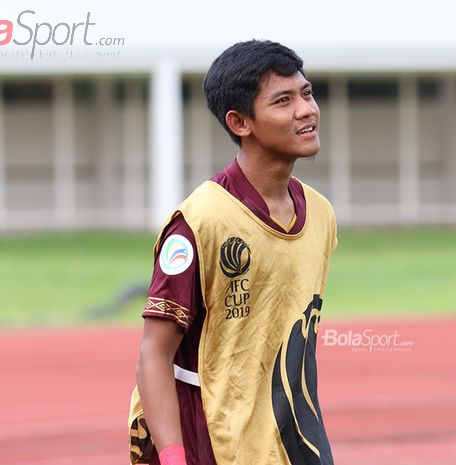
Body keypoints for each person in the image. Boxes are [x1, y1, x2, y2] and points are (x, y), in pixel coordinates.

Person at [129, 39, 337, 465]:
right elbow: (154, 353)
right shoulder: (198, 222)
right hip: (209, 442)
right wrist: (172, 458)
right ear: (240, 122)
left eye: (307, 93)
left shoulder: (321, 214)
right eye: (284, 100)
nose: (306, 110)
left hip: (292, 439)